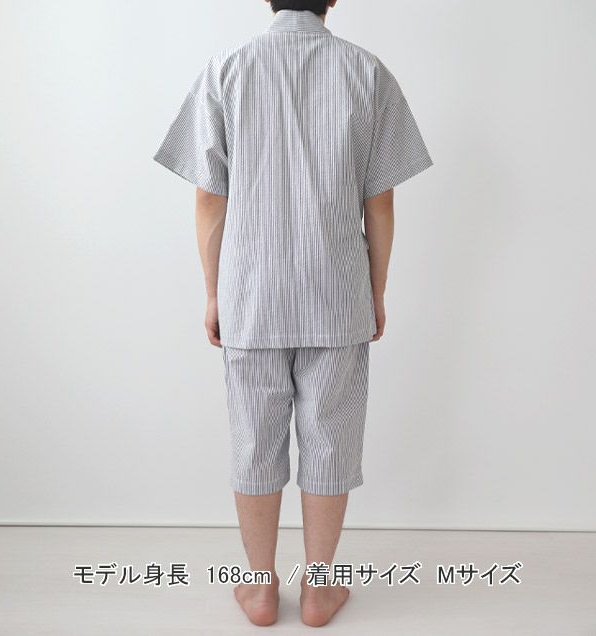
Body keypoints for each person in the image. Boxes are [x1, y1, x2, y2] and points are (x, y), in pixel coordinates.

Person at [153, 0, 433, 627]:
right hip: (336, 294)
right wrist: (375, 290)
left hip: (252, 295)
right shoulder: (367, 72)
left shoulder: (227, 70)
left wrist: (214, 292)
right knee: (330, 442)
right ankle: (318, 591)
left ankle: (258, 590)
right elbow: (380, 201)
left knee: (254, 442)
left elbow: (209, 196)